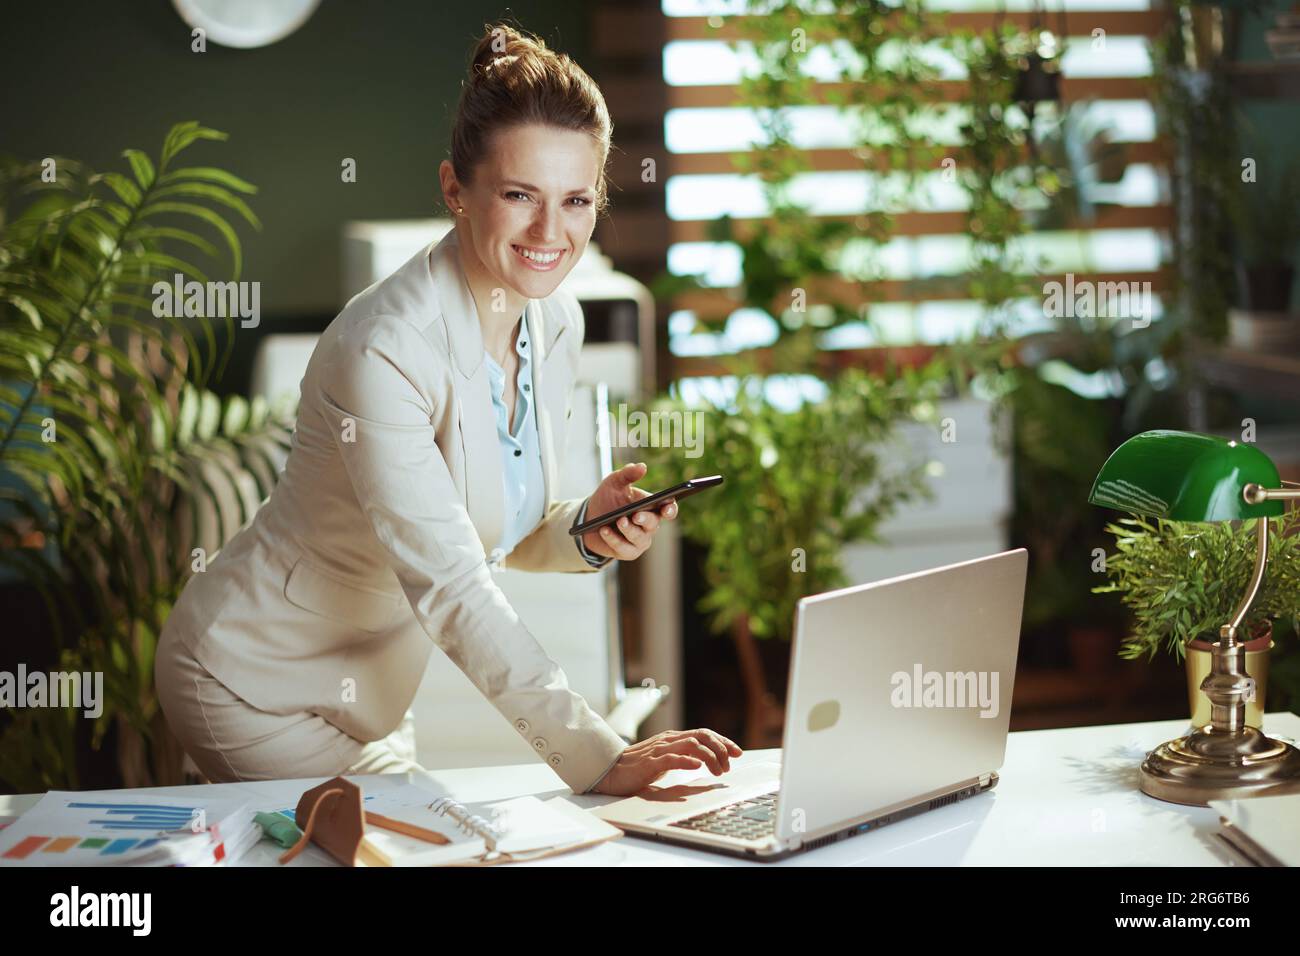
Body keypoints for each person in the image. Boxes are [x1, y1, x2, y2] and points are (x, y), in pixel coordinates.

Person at [155, 22, 742, 795]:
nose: (550, 233)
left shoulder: (554, 320)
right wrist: (600, 756)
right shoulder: (384, 350)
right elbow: (454, 584)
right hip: (250, 684)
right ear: (454, 190)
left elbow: (497, 529)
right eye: (519, 196)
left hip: (370, 696)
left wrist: (587, 530)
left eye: (575, 201)